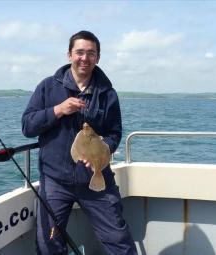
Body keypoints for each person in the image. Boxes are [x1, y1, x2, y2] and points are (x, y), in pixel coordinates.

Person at [22, 30, 137, 255]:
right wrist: (58, 110)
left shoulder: (107, 94)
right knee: (48, 244)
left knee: (118, 239)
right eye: (80, 52)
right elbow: (27, 126)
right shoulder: (48, 87)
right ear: (69, 55)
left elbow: (115, 132)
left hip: (96, 175)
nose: (85, 58)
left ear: (98, 57)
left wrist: (105, 148)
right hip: (55, 180)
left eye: (91, 53)